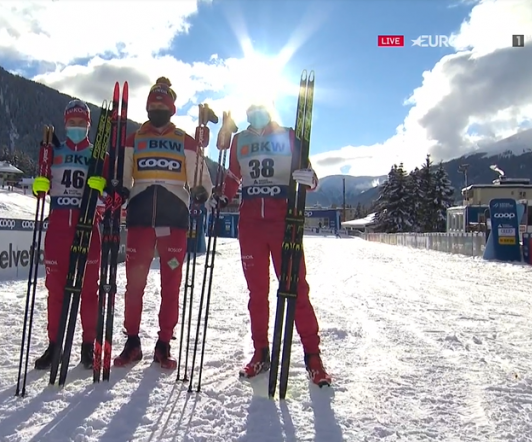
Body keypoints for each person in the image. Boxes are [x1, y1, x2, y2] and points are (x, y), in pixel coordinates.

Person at [214, 103, 332, 386]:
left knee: (296, 289)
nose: (255, 110)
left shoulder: (289, 136)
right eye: (250, 106)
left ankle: (313, 357)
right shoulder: (240, 140)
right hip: (251, 225)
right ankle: (260, 352)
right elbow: (232, 179)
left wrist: (310, 180)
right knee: (257, 294)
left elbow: (309, 176)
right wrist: (221, 195)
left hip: (284, 221)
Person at [113, 77, 213, 370]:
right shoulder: (134, 138)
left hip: (174, 220)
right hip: (141, 218)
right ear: (146, 106)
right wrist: (118, 188)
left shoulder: (185, 139)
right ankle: (132, 341)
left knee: (171, 285)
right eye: (152, 104)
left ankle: (164, 343)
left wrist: (200, 192)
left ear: (171, 108)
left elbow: (201, 179)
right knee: (134, 286)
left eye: (162, 104)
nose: (157, 108)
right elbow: (122, 174)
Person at [31, 99, 107, 370]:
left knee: (89, 291)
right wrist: (39, 184)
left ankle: (88, 346)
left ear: (88, 125)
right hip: (59, 226)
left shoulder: (98, 155)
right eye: (72, 123)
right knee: (55, 291)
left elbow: (109, 196)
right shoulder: (55, 152)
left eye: (81, 123)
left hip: (87, 227)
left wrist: (100, 193)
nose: (76, 127)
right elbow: (42, 188)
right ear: (65, 123)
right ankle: (55, 345)